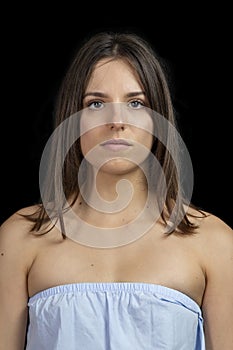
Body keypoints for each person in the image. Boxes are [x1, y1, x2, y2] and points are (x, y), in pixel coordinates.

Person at [0, 31, 232, 350]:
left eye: (136, 103)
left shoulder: (214, 242)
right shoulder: (19, 239)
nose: (117, 121)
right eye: (96, 103)